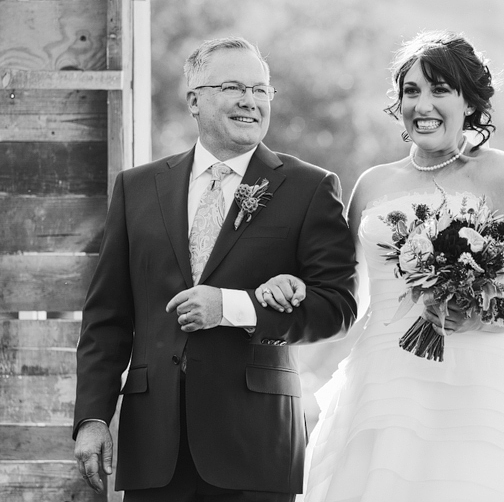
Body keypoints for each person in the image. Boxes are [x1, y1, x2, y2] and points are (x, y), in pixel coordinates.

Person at [284, 31, 504, 501]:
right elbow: (341, 294)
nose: (422, 104)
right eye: (411, 91)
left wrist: (475, 314)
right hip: (382, 384)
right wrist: (291, 288)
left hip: (476, 383)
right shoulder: (372, 184)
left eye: (439, 90)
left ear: (470, 103)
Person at [73, 36, 358, 502]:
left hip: (255, 445)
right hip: (154, 450)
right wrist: (92, 418)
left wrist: (231, 307)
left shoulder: (309, 187)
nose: (250, 100)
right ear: (194, 100)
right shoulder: (137, 188)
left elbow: (337, 307)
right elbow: (108, 317)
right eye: (233, 87)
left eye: (261, 89)